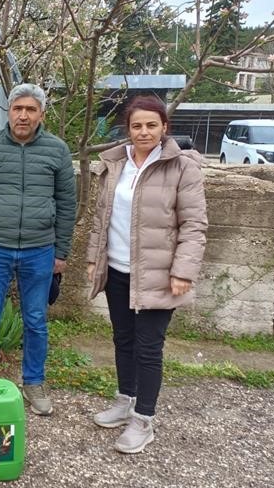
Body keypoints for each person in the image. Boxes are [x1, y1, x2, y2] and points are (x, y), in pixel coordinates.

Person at [86, 94, 207, 454]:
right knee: (123, 340)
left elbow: (194, 225)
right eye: (137, 125)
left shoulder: (182, 167)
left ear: (164, 128)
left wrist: (183, 270)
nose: (144, 132)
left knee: (149, 348)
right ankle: (126, 400)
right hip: (118, 270)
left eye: (151, 125)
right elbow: (100, 217)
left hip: (158, 273)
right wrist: (95, 259)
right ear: (128, 128)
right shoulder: (116, 163)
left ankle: (144, 420)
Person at [0, 83, 77, 416]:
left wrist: (62, 251)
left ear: (41, 114)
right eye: (17, 109)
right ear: (8, 111)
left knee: (37, 321)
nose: (23, 115)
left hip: (40, 250)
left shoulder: (57, 150)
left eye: (30, 109)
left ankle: (34, 382)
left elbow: (68, 203)